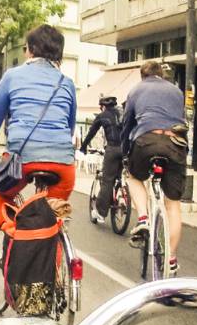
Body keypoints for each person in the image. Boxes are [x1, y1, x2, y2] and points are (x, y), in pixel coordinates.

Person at [0, 25, 78, 316]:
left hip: (23, 160)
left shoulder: (12, 76)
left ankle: (14, 240)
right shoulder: (66, 82)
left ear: (30, 50)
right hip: (62, 163)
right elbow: (69, 128)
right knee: (54, 215)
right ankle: (53, 275)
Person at [122, 60, 187, 276]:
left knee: (132, 176)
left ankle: (143, 219)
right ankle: (171, 258)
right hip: (176, 143)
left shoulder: (136, 90)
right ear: (162, 75)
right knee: (173, 206)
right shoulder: (177, 91)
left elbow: (127, 125)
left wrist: (125, 152)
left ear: (143, 75)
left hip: (146, 142)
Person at [80, 96, 122, 226]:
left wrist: (83, 147)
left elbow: (91, 132)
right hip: (126, 149)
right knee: (119, 177)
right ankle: (122, 194)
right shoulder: (122, 113)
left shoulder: (102, 116)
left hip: (113, 148)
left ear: (102, 106)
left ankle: (100, 213)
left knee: (107, 180)